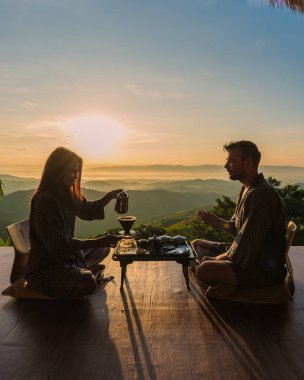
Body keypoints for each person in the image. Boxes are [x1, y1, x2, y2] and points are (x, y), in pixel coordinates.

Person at [25, 147, 122, 299]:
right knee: (88, 284)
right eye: (71, 171)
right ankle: (87, 273)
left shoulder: (67, 194)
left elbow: (87, 210)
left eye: (76, 172)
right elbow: (58, 245)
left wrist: (109, 197)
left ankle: (82, 271)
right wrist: (98, 240)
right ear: (57, 170)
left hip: (68, 257)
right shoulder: (44, 201)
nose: (75, 177)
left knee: (103, 248)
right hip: (46, 267)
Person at [192, 141, 287, 296]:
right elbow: (238, 230)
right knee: (196, 245)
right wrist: (215, 221)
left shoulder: (261, 195)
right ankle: (223, 279)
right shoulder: (247, 189)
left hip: (260, 268)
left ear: (248, 162)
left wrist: (217, 260)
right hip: (247, 255)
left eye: (231, 161)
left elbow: (248, 245)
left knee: (204, 269)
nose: (226, 166)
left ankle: (232, 283)